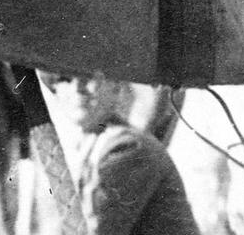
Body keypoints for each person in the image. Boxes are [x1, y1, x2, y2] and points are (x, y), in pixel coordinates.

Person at [37, 72, 200, 235]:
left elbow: (93, 230)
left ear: (115, 86)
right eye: (65, 79)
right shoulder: (90, 145)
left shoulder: (129, 148)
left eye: (88, 78)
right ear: (55, 90)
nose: (78, 88)